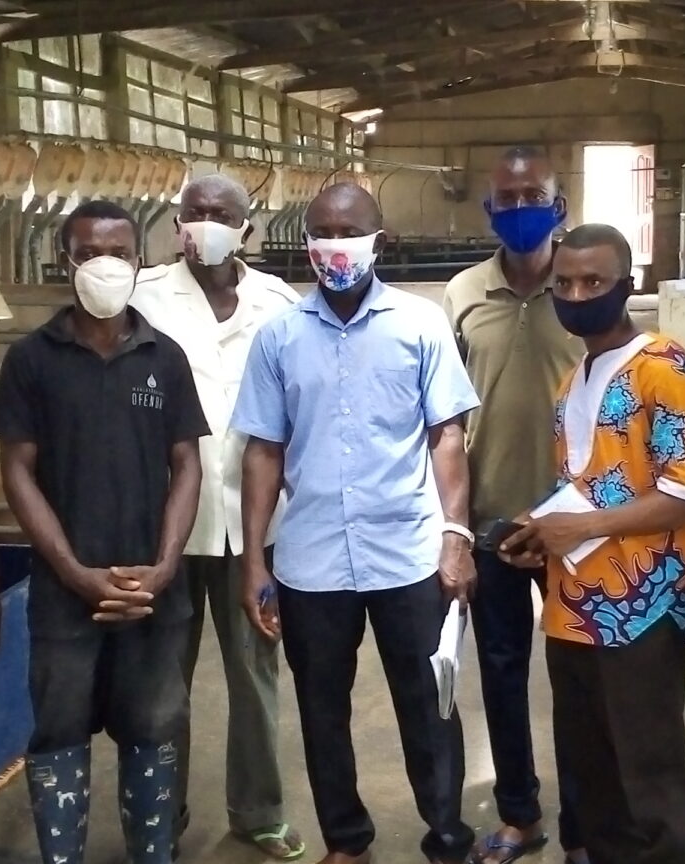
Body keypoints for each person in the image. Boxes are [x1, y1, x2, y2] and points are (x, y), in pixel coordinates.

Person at [232, 182, 480, 864]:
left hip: (406, 551)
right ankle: (347, 839)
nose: (334, 246)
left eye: (349, 231)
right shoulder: (278, 337)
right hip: (311, 558)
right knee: (321, 708)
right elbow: (263, 450)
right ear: (305, 243)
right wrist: (255, 558)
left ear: (380, 238)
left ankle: (446, 834)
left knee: (428, 703)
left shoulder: (420, 325)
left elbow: (447, 437)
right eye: (322, 232)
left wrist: (455, 538)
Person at [0, 199, 208, 864]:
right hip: (64, 597)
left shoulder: (163, 358)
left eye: (117, 252)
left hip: (151, 594)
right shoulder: (32, 359)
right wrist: (74, 572)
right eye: (88, 253)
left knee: (155, 726)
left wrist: (165, 565)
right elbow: (17, 471)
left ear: (139, 260)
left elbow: (186, 464)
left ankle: (153, 852)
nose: (103, 264)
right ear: (65, 260)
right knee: (59, 731)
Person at [497, 223, 685, 864]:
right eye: (563, 282)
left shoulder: (667, 370)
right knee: (590, 762)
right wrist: (538, 527)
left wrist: (583, 528)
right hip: (574, 603)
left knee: (645, 765)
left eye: (593, 281)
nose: (576, 292)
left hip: (643, 607)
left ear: (628, 285)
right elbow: (588, 486)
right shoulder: (575, 381)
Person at [133, 173, 307, 861]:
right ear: (176, 225)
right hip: (166, 524)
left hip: (255, 525)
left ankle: (259, 810)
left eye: (220, 214)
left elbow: (296, 409)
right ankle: (160, 816)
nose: (204, 224)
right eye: (193, 213)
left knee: (256, 673)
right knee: (161, 684)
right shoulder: (144, 299)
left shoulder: (278, 302)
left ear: (247, 228)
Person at [441, 146, 587, 864]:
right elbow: (443, 419)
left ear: (560, 207)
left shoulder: (584, 287)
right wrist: (457, 531)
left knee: (581, 678)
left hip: (578, 524)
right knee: (501, 673)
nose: (522, 206)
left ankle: (586, 825)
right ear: (489, 208)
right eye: (509, 196)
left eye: (535, 194)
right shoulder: (463, 293)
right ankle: (521, 815)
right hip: (496, 522)